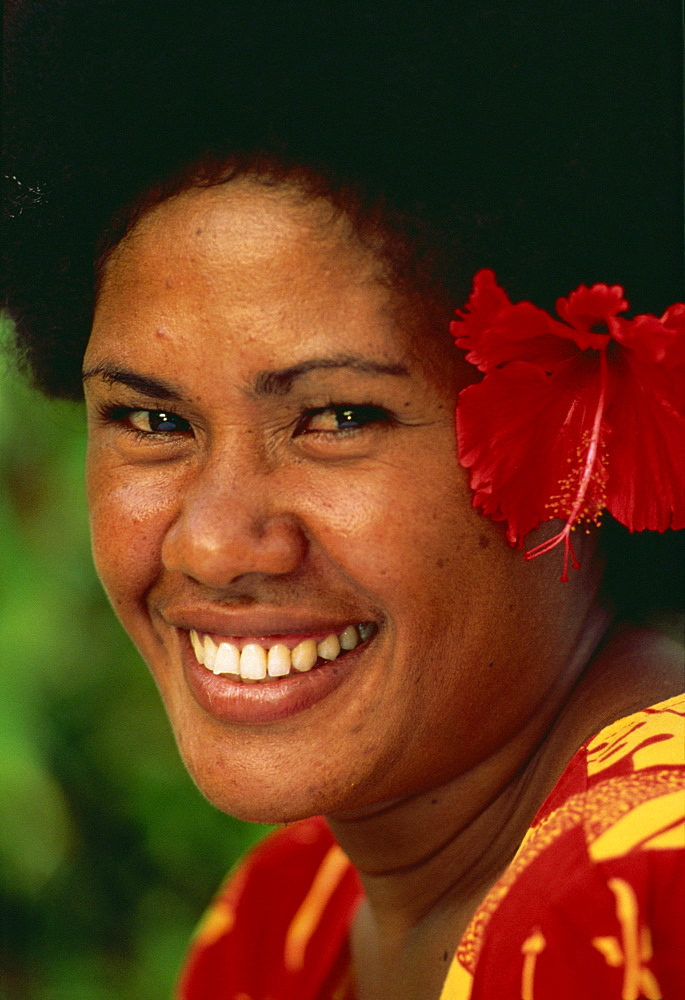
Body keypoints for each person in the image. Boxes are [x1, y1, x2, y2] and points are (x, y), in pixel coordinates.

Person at [3, 5, 683, 999]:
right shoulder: (291, 911)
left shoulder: (636, 894)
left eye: (337, 417)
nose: (215, 540)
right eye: (153, 422)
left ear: (582, 437)